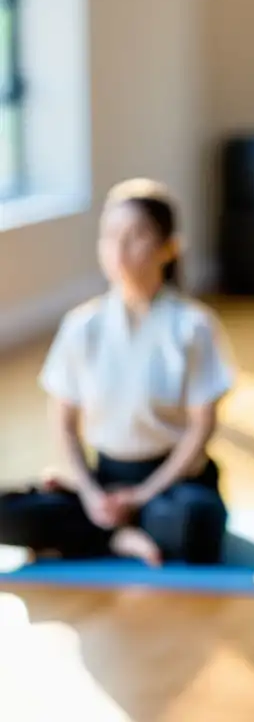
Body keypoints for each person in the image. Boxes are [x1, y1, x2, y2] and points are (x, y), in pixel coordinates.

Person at [0, 179, 235, 567]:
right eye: (110, 236)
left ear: (168, 248)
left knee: (199, 523)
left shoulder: (193, 326)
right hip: (105, 478)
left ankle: (108, 531)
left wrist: (141, 496)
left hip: (172, 484)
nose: (120, 249)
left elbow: (201, 428)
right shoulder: (82, 325)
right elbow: (64, 425)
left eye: (136, 236)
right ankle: (120, 534)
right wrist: (91, 493)